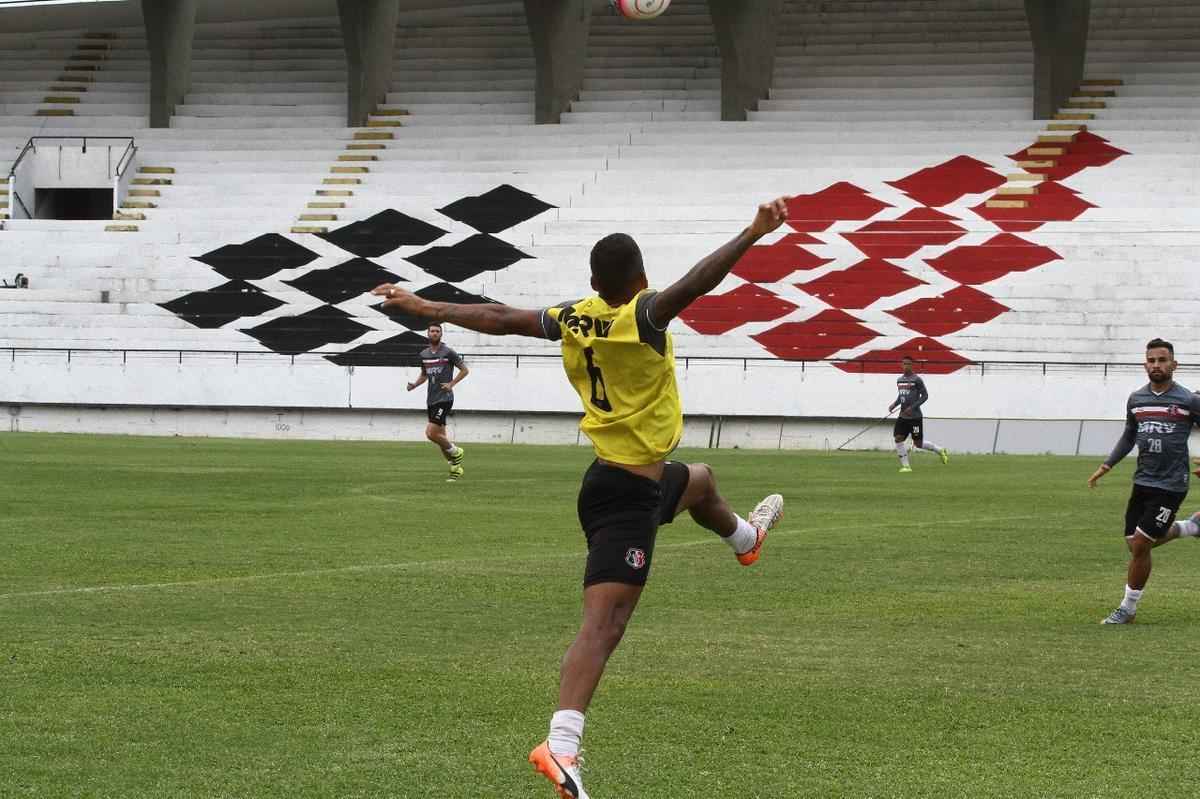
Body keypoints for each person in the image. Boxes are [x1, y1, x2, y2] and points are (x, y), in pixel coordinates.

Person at [372, 198, 790, 799]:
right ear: (642, 279)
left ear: (595, 285)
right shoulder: (646, 315)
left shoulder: (573, 316)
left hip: (621, 479)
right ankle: (561, 745)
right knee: (604, 625)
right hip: (625, 499)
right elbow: (698, 282)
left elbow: (497, 316)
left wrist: (423, 305)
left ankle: (747, 541)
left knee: (699, 480)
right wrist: (752, 232)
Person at [1088, 338, 1200, 624]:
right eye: (1151, 360)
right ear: (1145, 364)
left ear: (1174, 365)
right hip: (1143, 481)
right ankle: (1191, 526)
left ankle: (1127, 609)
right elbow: (1129, 435)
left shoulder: (1188, 400)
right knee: (1134, 543)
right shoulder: (1136, 399)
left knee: (1140, 544)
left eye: (1162, 360)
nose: (1156, 365)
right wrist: (1107, 465)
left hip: (1172, 483)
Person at [407, 323, 469, 482]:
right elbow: (424, 374)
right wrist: (414, 385)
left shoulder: (448, 352)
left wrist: (451, 384)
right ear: (428, 334)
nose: (434, 333)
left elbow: (465, 370)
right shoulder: (424, 354)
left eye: (437, 331)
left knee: (431, 433)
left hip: (445, 398)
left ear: (441, 334)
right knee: (441, 437)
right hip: (431, 399)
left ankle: (456, 452)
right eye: (432, 331)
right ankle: (455, 468)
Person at [888, 355, 948, 473]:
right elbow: (901, 396)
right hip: (903, 417)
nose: (906, 366)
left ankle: (940, 450)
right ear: (901, 365)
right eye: (904, 363)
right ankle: (906, 466)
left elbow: (925, 396)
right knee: (898, 438)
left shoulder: (917, 380)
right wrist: (894, 404)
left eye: (908, 364)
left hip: (915, 418)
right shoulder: (899, 380)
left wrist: (912, 407)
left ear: (912, 365)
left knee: (918, 443)